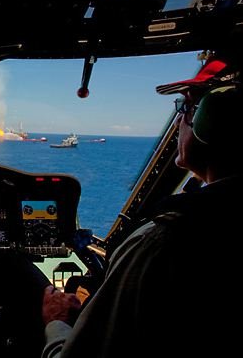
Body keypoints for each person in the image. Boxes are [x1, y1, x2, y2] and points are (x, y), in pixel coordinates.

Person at [40, 50, 243, 358]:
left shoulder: (164, 241)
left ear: (211, 119)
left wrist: (56, 323)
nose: (179, 121)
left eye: (185, 107)